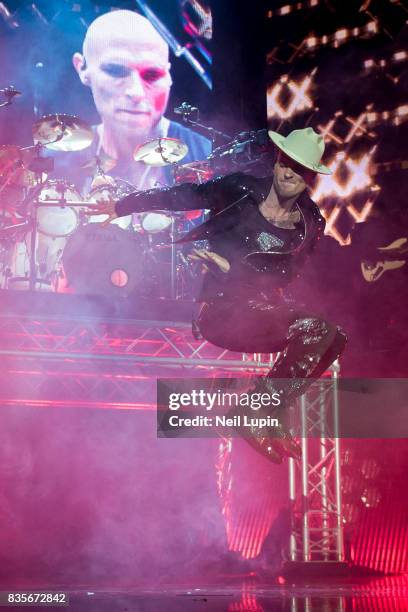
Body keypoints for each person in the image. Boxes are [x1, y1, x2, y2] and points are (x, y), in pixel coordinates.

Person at [87, 127, 347, 463]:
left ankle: (266, 410)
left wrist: (234, 267)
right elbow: (185, 195)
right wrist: (124, 205)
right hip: (223, 312)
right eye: (286, 163)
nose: (289, 174)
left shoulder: (309, 223)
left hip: (262, 311)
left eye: (299, 171)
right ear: (278, 161)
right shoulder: (241, 188)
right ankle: (258, 410)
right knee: (318, 330)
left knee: (334, 336)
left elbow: (288, 273)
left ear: (310, 178)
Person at [51, 9, 211, 192]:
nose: (136, 92)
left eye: (152, 74)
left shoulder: (206, 155)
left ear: (168, 76)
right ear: (82, 69)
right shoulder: (58, 162)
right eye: (116, 71)